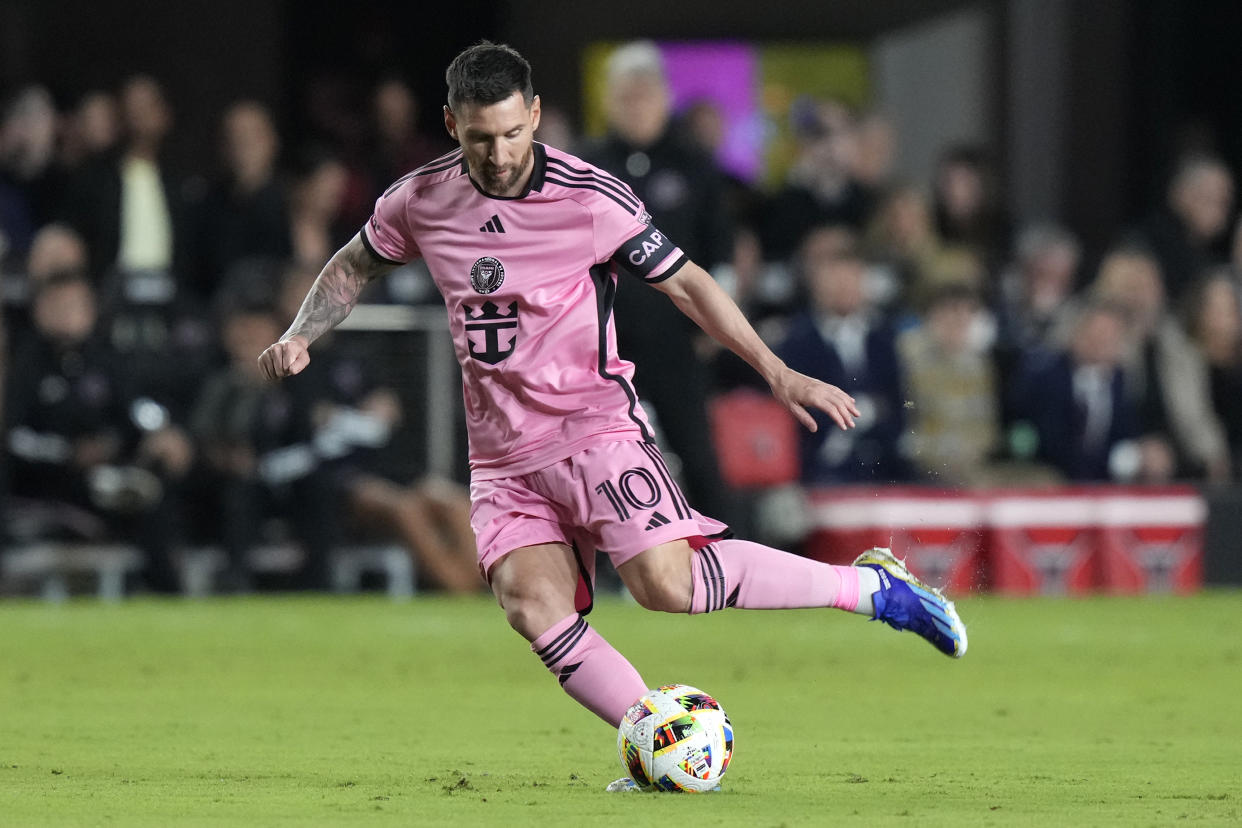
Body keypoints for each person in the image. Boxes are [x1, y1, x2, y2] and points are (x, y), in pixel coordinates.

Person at [258, 42, 966, 790]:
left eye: (509, 134)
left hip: (593, 429)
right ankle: (656, 738)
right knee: (532, 605)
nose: (497, 156)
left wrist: (777, 370)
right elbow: (353, 263)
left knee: (669, 584)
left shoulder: (589, 196)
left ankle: (874, 589)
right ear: (449, 125)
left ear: (533, 115)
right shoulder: (421, 198)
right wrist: (301, 333)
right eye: (477, 138)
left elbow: (688, 284)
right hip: (502, 457)